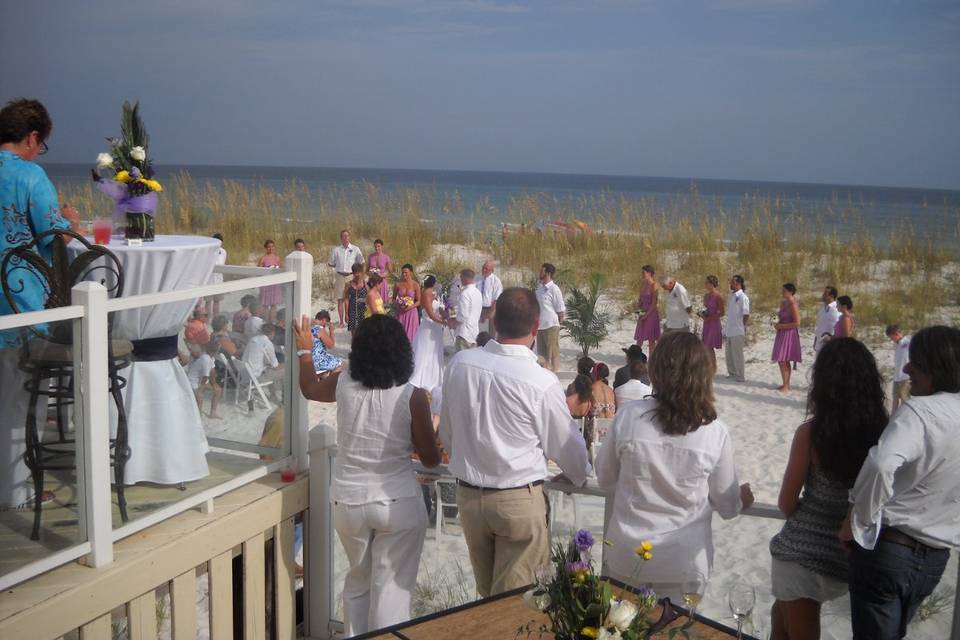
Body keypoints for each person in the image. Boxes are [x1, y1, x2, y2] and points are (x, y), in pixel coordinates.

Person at [293, 313, 441, 636]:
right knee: (391, 592)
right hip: (396, 500)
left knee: (358, 583)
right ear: (402, 351)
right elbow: (430, 460)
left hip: (349, 499)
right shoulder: (412, 395)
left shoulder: (344, 383)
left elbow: (309, 388)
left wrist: (305, 351)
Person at [439, 287, 591, 598]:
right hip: (517, 500)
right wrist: (578, 475)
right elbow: (569, 451)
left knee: (488, 598)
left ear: (494, 321)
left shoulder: (460, 364)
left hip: (468, 496)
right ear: (536, 328)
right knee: (516, 608)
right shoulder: (540, 380)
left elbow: (448, 434)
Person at [595, 331, 753, 599]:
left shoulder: (630, 417)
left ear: (656, 372)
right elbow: (727, 505)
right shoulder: (714, 431)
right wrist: (741, 498)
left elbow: (605, 478)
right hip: (683, 561)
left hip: (627, 554)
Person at [841, 326, 960, 640]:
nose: (907, 368)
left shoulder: (919, 411)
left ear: (936, 367)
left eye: (915, 362)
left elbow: (880, 466)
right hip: (937, 557)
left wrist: (858, 521)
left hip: (891, 549)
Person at [768, 338, 887, 640]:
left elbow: (785, 503)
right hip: (853, 555)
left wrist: (809, 516)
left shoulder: (811, 434)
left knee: (786, 624)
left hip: (802, 555)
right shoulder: (884, 437)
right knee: (779, 621)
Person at [0, 98, 79, 509]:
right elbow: (56, 237)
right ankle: (15, 491)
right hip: (20, 306)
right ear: (32, 138)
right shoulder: (30, 175)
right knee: (21, 401)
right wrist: (72, 222)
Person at [409, 275, 446, 392]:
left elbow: (437, 309)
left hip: (435, 327)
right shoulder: (426, 293)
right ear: (433, 283)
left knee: (434, 351)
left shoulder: (432, 293)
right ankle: (423, 377)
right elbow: (429, 313)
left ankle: (435, 376)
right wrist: (443, 322)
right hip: (429, 326)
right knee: (426, 351)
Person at [328, 229, 364, 327]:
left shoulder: (356, 249)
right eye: (343, 236)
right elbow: (331, 263)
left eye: (347, 236)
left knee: (350, 298)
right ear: (341, 238)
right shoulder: (336, 250)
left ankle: (349, 319)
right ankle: (341, 322)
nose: (345, 238)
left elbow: (361, 262)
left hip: (351, 276)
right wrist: (339, 266)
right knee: (340, 299)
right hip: (340, 276)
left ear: (349, 237)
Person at [535, 263, 566, 372]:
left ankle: (555, 373)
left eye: (542, 271)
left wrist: (558, 323)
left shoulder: (554, 288)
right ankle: (544, 373)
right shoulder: (539, 290)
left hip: (551, 325)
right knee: (541, 354)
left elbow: (560, 309)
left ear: (548, 273)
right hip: (540, 326)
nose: (539, 273)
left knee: (553, 352)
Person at [772, 283, 802, 393]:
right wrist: (775, 321)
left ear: (790, 292)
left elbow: (797, 323)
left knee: (784, 359)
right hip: (781, 333)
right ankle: (785, 383)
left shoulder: (793, 304)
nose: (782, 292)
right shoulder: (783, 303)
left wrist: (782, 326)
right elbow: (780, 316)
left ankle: (786, 385)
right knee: (782, 359)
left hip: (789, 333)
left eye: (784, 291)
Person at [242, 323, 282, 403]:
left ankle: (273, 395)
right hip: (255, 376)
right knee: (286, 370)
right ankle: (280, 398)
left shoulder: (253, 339)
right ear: (272, 333)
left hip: (244, 373)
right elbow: (275, 366)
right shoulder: (267, 343)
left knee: (269, 369)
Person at [724, 275, 750, 382]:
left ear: (738, 283)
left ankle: (741, 375)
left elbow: (746, 314)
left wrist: (742, 326)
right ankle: (732, 373)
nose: (730, 284)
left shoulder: (743, 297)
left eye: (732, 282)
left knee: (738, 354)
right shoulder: (733, 296)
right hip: (730, 329)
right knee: (729, 354)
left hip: (737, 330)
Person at [187, 341, 223, 419]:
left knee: (218, 390)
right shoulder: (205, 358)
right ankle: (198, 418)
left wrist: (214, 385)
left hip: (200, 381)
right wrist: (200, 390)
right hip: (192, 382)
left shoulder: (211, 357)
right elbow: (205, 376)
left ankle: (212, 413)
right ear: (215, 352)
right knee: (200, 397)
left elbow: (212, 372)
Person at [449, 268, 482, 351]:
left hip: (464, 333)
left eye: (461, 277)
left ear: (465, 278)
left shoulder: (465, 293)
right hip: (474, 332)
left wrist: (453, 323)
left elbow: (463, 316)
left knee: (461, 360)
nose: (460, 280)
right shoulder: (478, 292)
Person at [634, 265, 661, 352]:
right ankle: (635, 357)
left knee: (651, 339)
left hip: (651, 313)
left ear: (649, 273)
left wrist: (646, 315)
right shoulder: (643, 284)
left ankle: (651, 359)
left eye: (644, 272)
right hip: (642, 312)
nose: (642, 274)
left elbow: (654, 303)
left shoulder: (654, 285)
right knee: (639, 338)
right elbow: (640, 300)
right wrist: (638, 311)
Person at [885, 324, 911, 414]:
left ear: (897, 334)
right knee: (895, 399)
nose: (891, 340)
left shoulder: (906, 343)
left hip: (905, 377)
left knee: (905, 401)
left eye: (892, 338)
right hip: (897, 377)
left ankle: (905, 418)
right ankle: (893, 418)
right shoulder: (896, 344)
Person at [700, 275, 725, 369]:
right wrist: (703, 314)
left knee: (709, 345)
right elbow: (707, 308)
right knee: (706, 345)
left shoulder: (718, 296)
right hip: (706, 322)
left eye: (706, 283)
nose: (705, 285)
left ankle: (713, 367)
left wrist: (710, 318)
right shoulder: (707, 295)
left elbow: (722, 312)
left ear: (711, 284)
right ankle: (710, 366)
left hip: (714, 322)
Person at [394, 263, 421, 344]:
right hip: (400, 313)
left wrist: (410, 307)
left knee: (411, 337)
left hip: (411, 313)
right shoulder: (398, 285)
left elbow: (419, 301)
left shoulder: (415, 285)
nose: (404, 274)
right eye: (402, 272)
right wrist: (398, 306)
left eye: (406, 272)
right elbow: (393, 299)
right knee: (400, 336)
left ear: (411, 273)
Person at [257, 239, 282, 323]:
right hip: (266, 284)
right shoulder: (263, 259)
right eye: (268, 247)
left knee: (274, 305)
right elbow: (258, 271)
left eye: (272, 246)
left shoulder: (277, 258)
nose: (270, 248)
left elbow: (281, 270)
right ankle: (266, 322)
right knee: (265, 305)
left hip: (275, 284)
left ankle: (272, 322)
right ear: (265, 248)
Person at [205, 232, 227, 317]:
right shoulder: (208, 251)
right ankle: (206, 320)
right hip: (208, 281)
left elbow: (222, 264)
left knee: (217, 301)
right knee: (208, 302)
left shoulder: (224, 252)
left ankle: (216, 318)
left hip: (218, 280)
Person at [478, 259, 503, 333]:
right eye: (483, 268)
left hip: (490, 309)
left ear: (492, 270)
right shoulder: (477, 278)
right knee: (478, 333)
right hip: (478, 308)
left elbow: (496, 299)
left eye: (486, 269)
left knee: (490, 333)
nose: (484, 270)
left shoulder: (496, 281)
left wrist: (490, 313)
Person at [813, 286, 840, 353]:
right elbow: (818, 325)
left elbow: (839, 327)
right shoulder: (822, 309)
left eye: (825, 294)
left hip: (832, 345)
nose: (823, 295)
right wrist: (815, 341)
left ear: (832, 296)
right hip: (819, 344)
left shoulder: (837, 309)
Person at [344, 263, 368, 335]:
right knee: (353, 333)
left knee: (364, 332)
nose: (357, 274)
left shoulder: (365, 284)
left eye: (359, 272)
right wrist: (346, 314)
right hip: (352, 310)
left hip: (363, 311)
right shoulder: (349, 284)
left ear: (362, 272)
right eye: (355, 272)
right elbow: (346, 299)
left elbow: (370, 297)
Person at [366, 238, 392, 304]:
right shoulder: (370, 257)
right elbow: (366, 271)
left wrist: (383, 275)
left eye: (378, 246)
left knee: (381, 302)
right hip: (372, 282)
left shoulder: (386, 257)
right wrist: (370, 274)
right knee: (372, 302)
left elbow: (390, 271)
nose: (377, 248)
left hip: (382, 282)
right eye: (375, 247)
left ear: (382, 246)